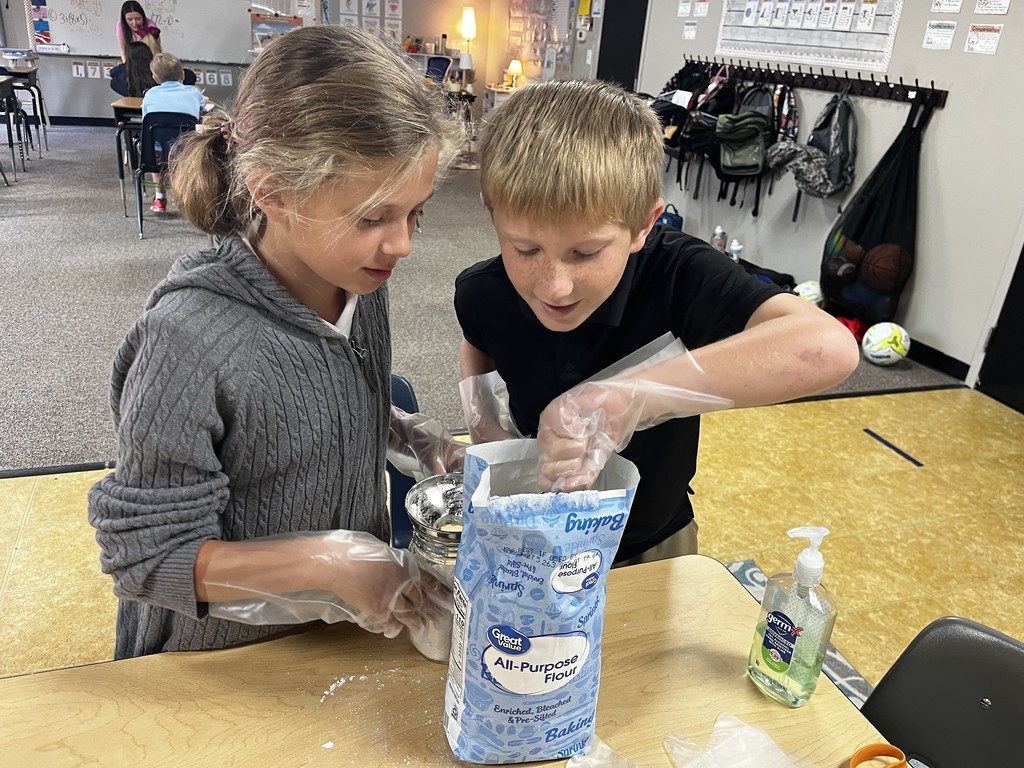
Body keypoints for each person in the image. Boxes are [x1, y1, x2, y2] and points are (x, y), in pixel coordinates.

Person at [88, 24, 465, 661]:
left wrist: (402, 433)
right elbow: (148, 558)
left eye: (415, 212)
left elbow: (319, 395)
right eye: (372, 217)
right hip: (220, 661)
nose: (402, 243)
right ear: (270, 191)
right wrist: (327, 561)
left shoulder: (360, 280)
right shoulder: (186, 344)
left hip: (332, 641)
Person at [455, 79, 860, 566]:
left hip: (653, 540)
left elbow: (826, 348)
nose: (554, 286)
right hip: (534, 536)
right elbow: (477, 343)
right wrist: (486, 429)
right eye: (525, 249)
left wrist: (628, 397)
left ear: (644, 225)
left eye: (585, 252)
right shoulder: (484, 290)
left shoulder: (679, 273)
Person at [140, 52, 204, 213]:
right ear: (182, 74)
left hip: (157, 150)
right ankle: (184, 197)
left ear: (155, 78)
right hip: (186, 150)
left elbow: (146, 120)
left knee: (151, 147)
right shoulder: (194, 92)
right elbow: (202, 111)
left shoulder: (149, 94)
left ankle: (160, 196)